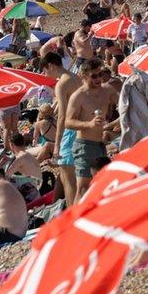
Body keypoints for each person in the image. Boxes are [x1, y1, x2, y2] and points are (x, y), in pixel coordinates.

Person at [64, 59, 116, 203]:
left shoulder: (107, 90)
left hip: (101, 145)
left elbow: (125, 103)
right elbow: (68, 122)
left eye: (100, 74)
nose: (98, 78)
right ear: (84, 76)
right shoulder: (79, 96)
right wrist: (89, 124)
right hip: (84, 145)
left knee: (100, 185)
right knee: (83, 189)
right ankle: (74, 222)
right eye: (94, 76)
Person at [41, 51, 82, 205]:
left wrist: (57, 144)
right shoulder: (75, 77)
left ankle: (73, 214)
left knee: (70, 179)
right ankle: (58, 204)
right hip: (80, 127)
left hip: (70, 131)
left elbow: (63, 116)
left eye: (45, 70)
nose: (45, 75)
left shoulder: (61, 84)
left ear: (51, 66)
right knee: (66, 172)